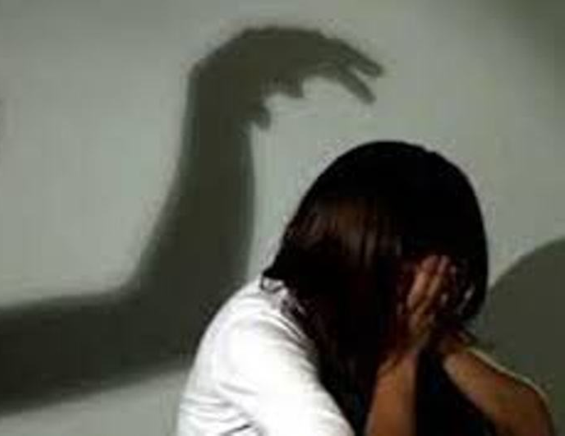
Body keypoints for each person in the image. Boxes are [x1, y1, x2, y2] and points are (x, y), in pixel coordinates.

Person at [177, 141, 555, 436]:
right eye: (423, 270)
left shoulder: (383, 315)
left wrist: (437, 336)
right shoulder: (254, 335)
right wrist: (402, 357)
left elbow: (533, 427)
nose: (434, 285)